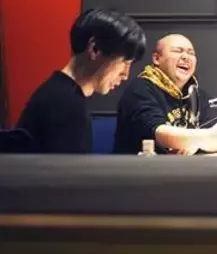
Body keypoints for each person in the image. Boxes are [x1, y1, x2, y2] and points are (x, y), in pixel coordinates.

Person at [15, 9, 146, 153]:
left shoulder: (57, 92)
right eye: (124, 62)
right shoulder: (66, 105)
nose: (125, 75)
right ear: (95, 49)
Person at [114, 34, 217, 155]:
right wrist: (204, 138)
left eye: (191, 53)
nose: (185, 57)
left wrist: (196, 144)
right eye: (177, 51)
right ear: (156, 59)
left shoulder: (195, 93)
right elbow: (159, 133)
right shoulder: (140, 89)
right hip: (141, 167)